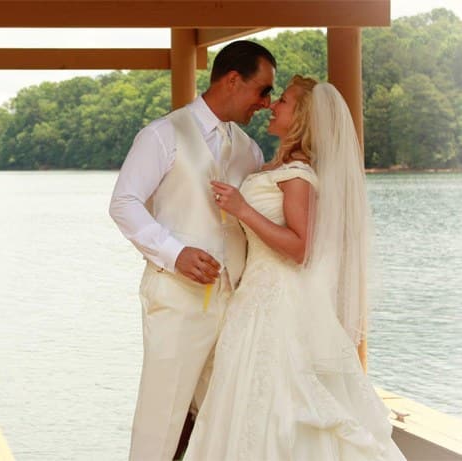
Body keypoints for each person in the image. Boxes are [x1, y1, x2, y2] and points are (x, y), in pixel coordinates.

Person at [183, 76, 406, 460]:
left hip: (279, 302)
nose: (273, 106)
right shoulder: (278, 167)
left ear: (301, 117)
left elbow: (300, 248)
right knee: (246, 400)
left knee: (280, 399)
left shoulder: (298, 176)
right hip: (255, 297)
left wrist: (242, 209)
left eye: (282, 101)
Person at [109, 40, 276, 461]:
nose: (266, 103)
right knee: (161, 418)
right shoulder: (161, 135)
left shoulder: (250, 151)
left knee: (226, 417)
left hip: (235, 305)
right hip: (177, 301)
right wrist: (175, 253)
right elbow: (123, 203)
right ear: (233, 80)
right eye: (262, 90)